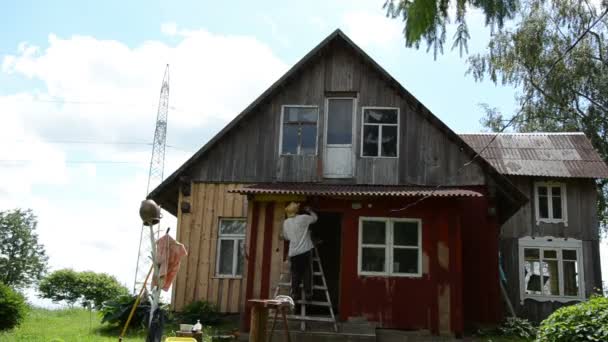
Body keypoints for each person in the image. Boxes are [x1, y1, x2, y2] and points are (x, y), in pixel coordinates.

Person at [282, 202, 317, 301]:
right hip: (305, 251)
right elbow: (315, 218)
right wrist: (310, 211)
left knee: (295, 273)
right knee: (307, 272)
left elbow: (286, 237)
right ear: (297, 210)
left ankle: (295, 294)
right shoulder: (303, 218)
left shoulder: (286, 222)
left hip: (293, 252)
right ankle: (308, 294)